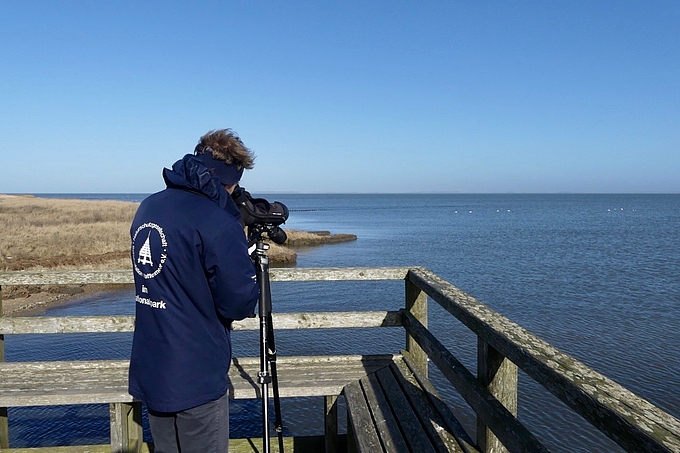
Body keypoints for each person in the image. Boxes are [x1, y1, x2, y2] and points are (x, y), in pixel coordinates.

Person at [128, 129, 260, 453]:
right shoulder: (218, 221)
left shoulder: (149, 207)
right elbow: (238, 303)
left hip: (153, 365)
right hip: (197, 373)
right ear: (229, 178)